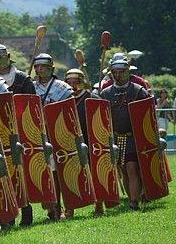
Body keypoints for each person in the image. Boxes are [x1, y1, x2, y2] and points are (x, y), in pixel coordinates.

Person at [0, 43, 35, 226]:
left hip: (18, 132)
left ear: (8, 56)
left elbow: (30, 107)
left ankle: (26, 210)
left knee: (19, 172)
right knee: (2, 172)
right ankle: (8, 214)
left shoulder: (23, 80)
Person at [100, 56, 149, 210]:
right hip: (116, 138)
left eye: (121, 71)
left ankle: (134, 201)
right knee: (123, 170)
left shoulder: (138, 91)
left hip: (134, 137)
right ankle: (132, 198)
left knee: (132, 167)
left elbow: (148, 115)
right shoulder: (105, 93)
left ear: (128, 72)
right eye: (115, 72)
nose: (118, 75)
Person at [32, 54, 73, 221]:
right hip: (38, 136)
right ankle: (51, 207)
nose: (40, 69)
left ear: (51, 68)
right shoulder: (31, 87)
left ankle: (65, 207)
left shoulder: (62, 88)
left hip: (59, 136)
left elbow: (69, 113)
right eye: (37, 67)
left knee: (61, 174)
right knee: (44, 173)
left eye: (43, 66)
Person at [64, 68, 104, 217]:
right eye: (69, 82)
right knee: (70, 174)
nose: (73, 85)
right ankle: (70, 208)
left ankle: (98, 205)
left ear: (82, 83)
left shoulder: (91, 98)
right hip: (69, 141)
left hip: (90, 140)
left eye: (76, 82)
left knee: (94, 173)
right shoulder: (63, 98)